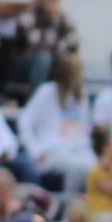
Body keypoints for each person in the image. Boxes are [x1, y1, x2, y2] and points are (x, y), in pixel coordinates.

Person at [19, 51, 97, 191]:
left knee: (95, 169)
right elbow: (25, 121)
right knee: (79, 167)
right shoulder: (46, 91)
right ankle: (69, 200)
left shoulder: (82, 95)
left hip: (79, 148)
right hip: (53, 147)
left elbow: (86, 127)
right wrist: (35, 151)